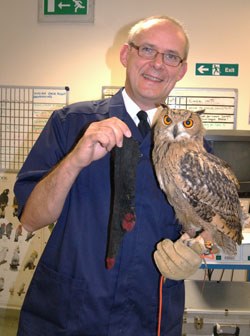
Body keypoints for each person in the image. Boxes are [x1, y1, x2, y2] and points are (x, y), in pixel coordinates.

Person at [14, 15, 203, 336]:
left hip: (150, 309)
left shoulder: (194, 142)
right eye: (147, 50)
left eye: (171, 56)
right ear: (125, 55)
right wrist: (74, 160)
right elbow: (31, 218)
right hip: (70, 310)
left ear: (182, 70)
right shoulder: (70, 123)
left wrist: (198, 250)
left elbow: (206, 225)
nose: (158, 64)